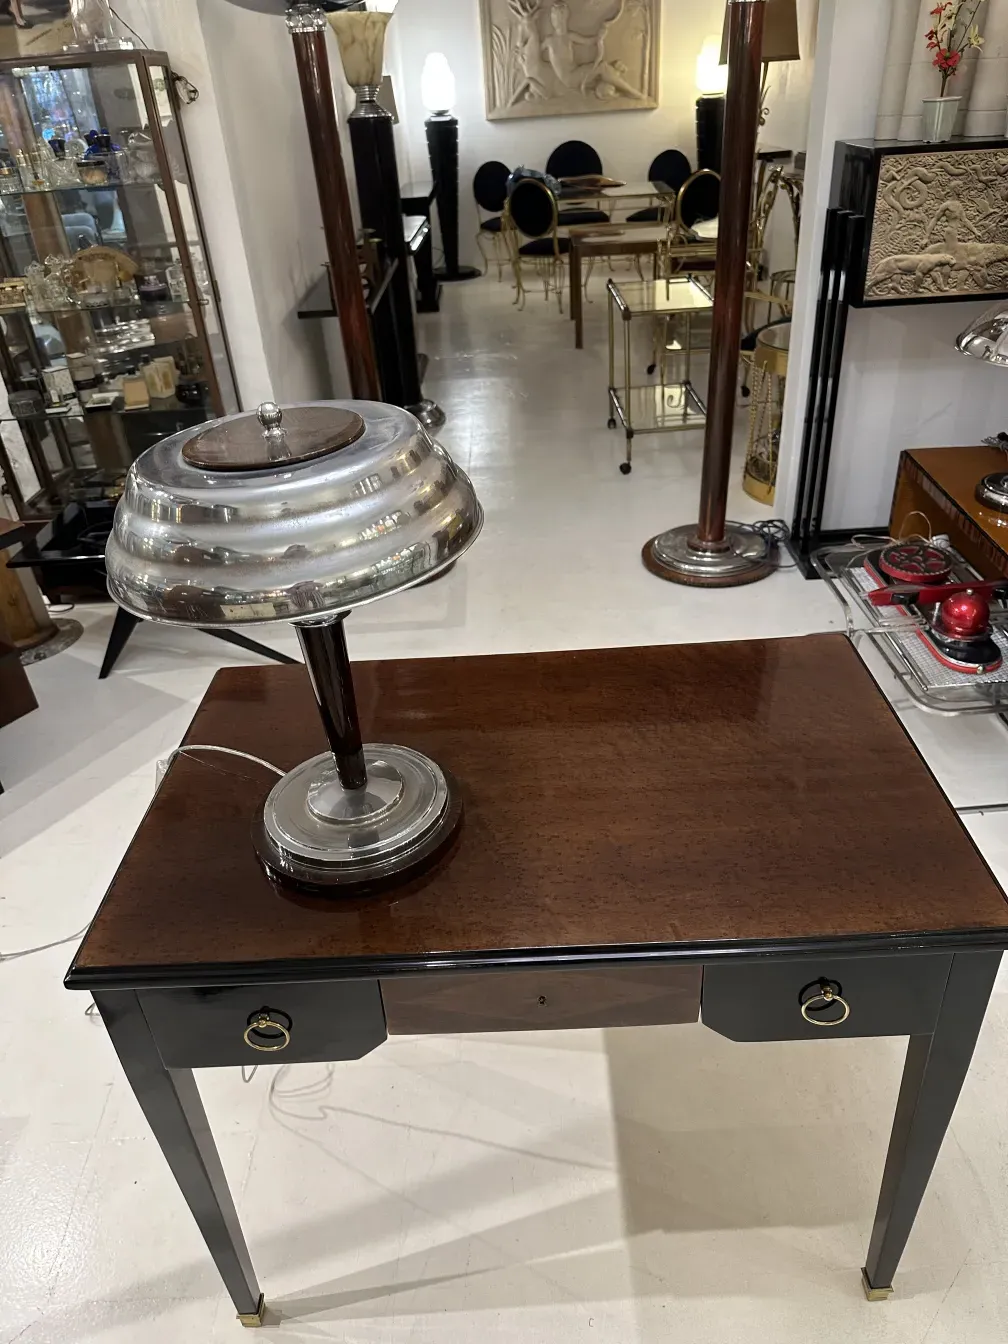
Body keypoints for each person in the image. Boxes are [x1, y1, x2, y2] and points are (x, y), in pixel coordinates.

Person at [541, 0, 642, 101]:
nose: (558, 22)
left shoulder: (569, 37)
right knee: (603, 68)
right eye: (555, 18)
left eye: (561, 18)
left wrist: (600, 35)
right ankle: (631, 92)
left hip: (576, 73)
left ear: (566, 19)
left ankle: (615, 88)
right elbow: (534, 53)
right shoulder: (549, 41)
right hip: (571, 78)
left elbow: (590, 42)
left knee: (603, 73)